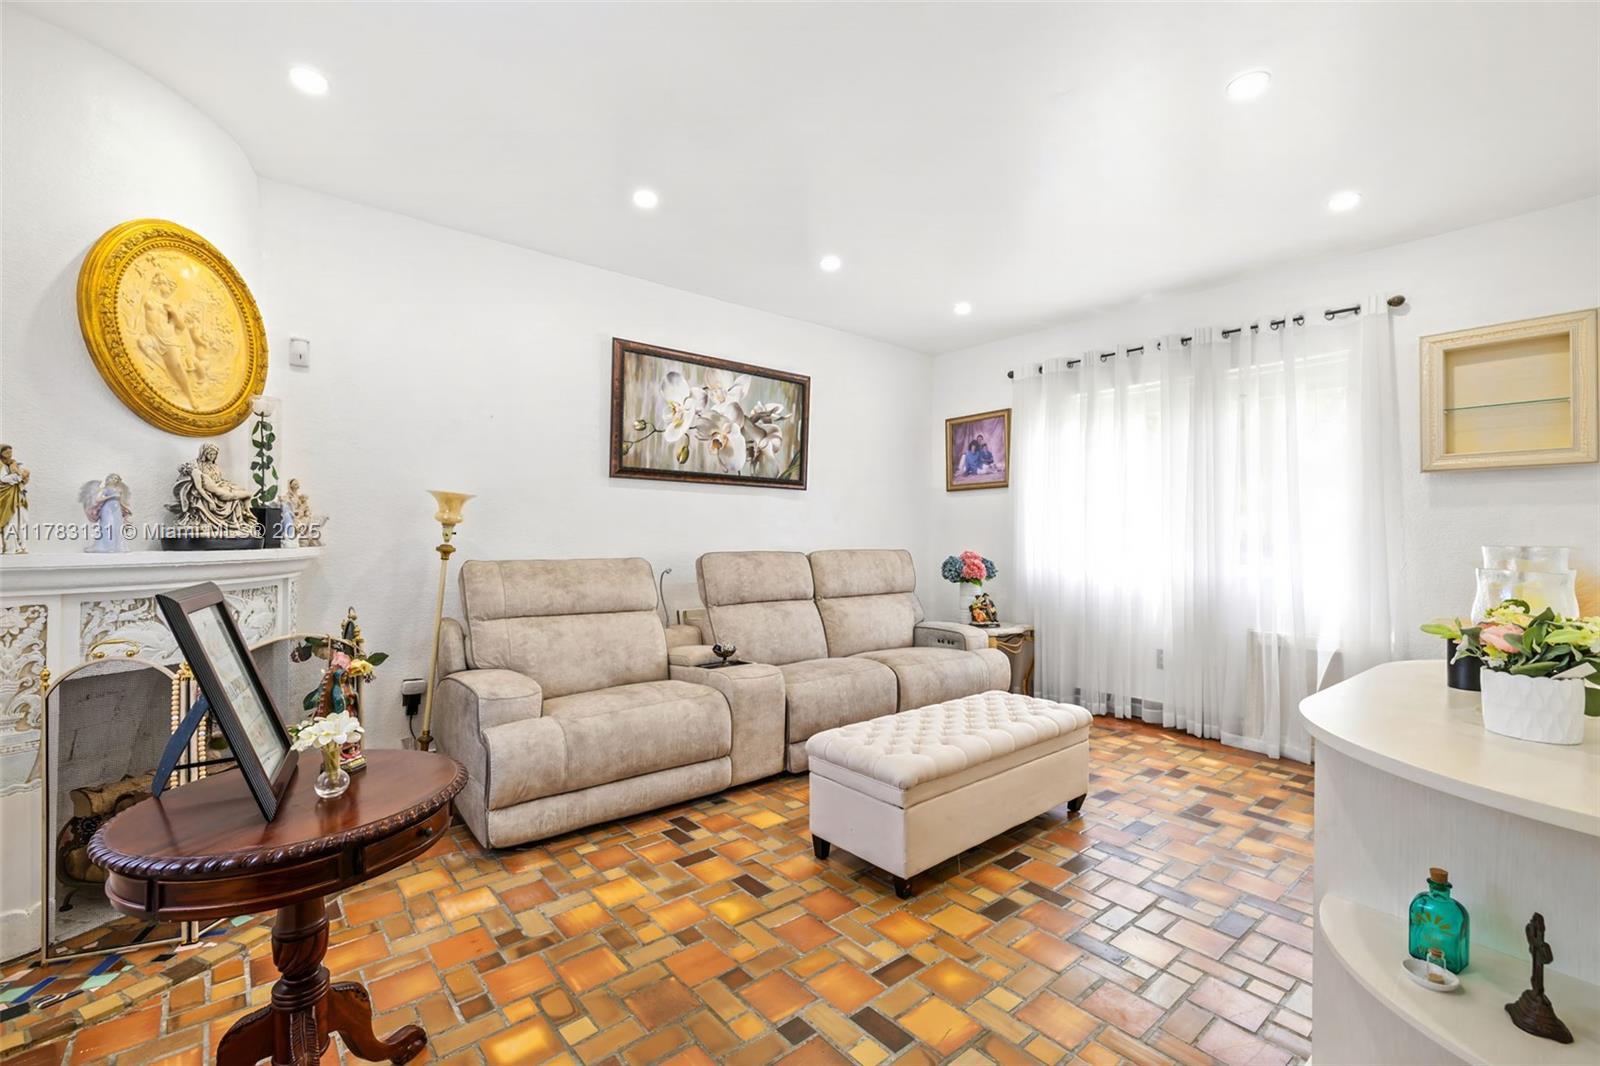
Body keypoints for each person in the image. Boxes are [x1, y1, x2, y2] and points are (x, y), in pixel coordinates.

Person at [0, 445, 29, 554]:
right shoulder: (1, 465)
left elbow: (24, 474)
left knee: (20, 520)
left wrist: (22, 475)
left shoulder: (14, 464)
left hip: (16, 495)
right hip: (5, 497)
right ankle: (10, 547)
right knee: (8, 521)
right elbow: (3, 479)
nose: (9, 455)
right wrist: (19, 476)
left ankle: (20, 546)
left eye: (10, 452)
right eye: (6, 453)